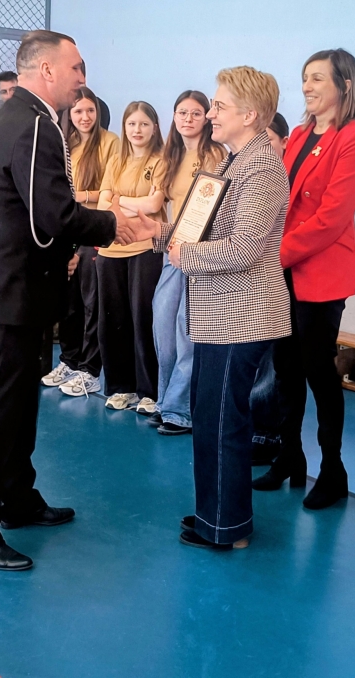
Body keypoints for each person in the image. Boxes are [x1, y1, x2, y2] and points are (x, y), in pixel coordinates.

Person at [0, 30, 133, 571]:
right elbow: (52, 214)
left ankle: (17, 499)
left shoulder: (21, 117)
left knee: (20, 406)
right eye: (76, 67)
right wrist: (113, 224)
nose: (82, 78)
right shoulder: (33, 125)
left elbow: (34, 211)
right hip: (5, 292)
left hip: (20, 291)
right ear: (47, 70)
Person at [130, 66, 291, 550]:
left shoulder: (262, 169)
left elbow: (245, 247)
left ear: (251, 114)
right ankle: (215, 514)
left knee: (223, 421)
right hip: (220, 312)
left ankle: (226, 527)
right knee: (210, 416)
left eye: (219, 106)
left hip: (242, 314)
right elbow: (199, 229)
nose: (211, 114)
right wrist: (158, 233)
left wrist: (184, 255)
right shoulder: (233, 161)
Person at [253, 49, 355, 510]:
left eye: (318, 78)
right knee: (285, 368)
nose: (307, 86)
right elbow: (281, 202)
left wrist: (274, 253)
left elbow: (331, 218)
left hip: (320, 272)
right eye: (305, 77)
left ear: (344, 85)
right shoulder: (301, 134)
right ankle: (290, 456)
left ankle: (333, 470)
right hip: (283, 269)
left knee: (319, 373)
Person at [147, 91, 225, 435]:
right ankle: (165, 400)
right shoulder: (170, 156)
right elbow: (156, 203)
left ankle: (179, 411)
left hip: (201, 254)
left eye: (196, 113)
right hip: (172, 251)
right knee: (163, 327)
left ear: (206, 118)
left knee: (187, 331)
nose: (188, 119)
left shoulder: (216, 155)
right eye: (182, 112)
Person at [41, 87, 120, 396]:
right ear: (69, 116)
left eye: (90, 110)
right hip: (68, 230)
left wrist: (81, 196)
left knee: (91, 304)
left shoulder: (111, 143)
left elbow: (108, 190)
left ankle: (90, 368)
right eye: (78, 111)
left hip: (93, 230)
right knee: (69, 302)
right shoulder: (66, 143)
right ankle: (70, 360)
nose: (85, 117)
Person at [96, 101, 166, 411]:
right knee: (113, 318)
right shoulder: (116, 160)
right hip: (111, 248)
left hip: (145, 248)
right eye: (132, 124)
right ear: (124, 127)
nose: (137, 130)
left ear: (154, 128)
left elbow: (154, 205)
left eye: (144, 124)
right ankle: (120, 387)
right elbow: (102, 204)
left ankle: (149, 390)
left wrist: (118, 200)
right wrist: (129, 203)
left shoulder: (161, 161)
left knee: (143, 318)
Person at [249, 111, 290, 465]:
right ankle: (253, 428)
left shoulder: (276, 176)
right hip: (257, 274)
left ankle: (266, 435)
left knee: (272, 362)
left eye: (268, 139)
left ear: (284, 143)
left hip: (283, 271)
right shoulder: (248, 170)